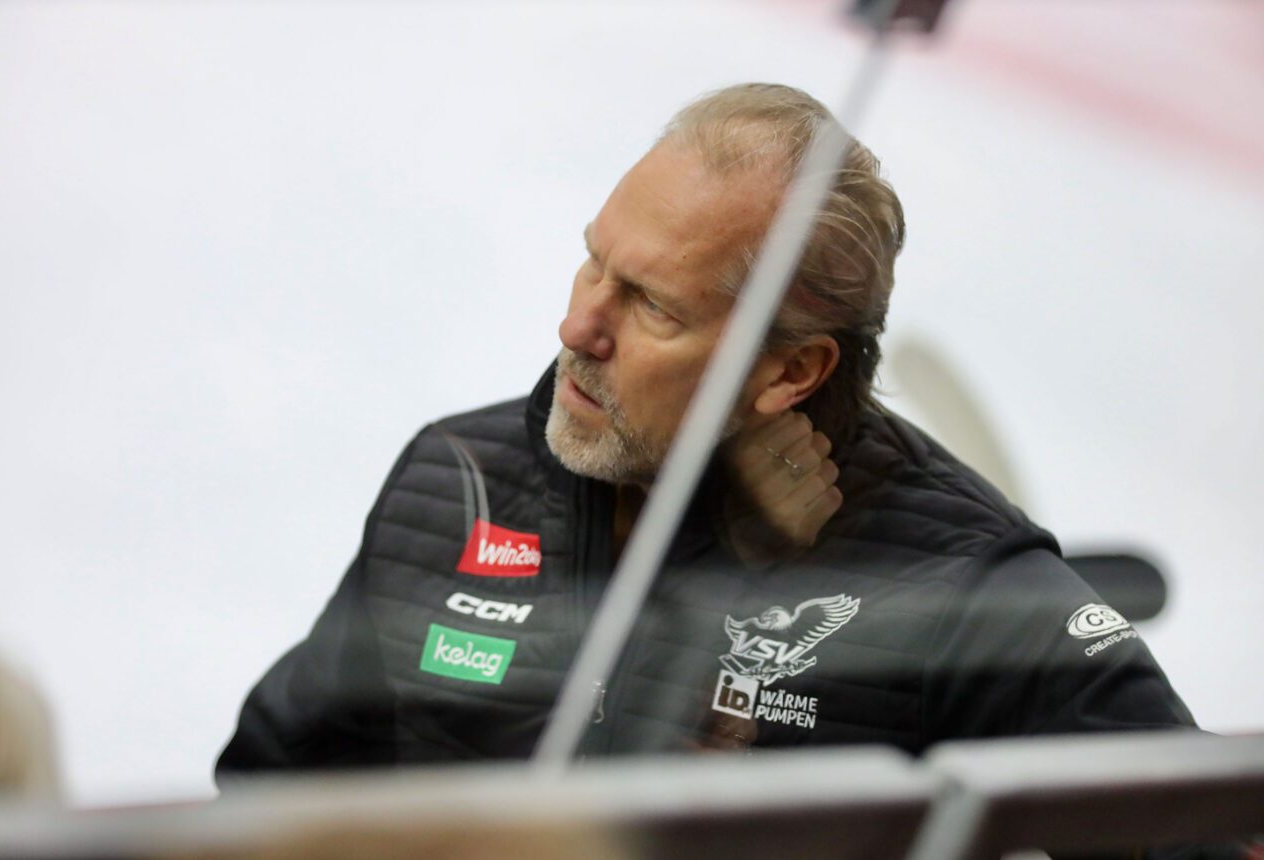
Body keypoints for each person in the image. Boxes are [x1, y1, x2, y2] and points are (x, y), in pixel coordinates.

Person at [217, 83, 1195, 778]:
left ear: (791, 370)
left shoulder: (959, 582)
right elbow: (270, 790)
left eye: (653, 304)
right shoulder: (460, 480)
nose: (578, 326)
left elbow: (1201, 824)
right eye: (594, 263)